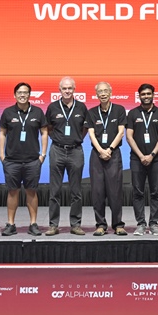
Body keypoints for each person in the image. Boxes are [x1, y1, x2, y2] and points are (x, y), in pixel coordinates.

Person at [0, 82, 48, 237]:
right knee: (12, 192)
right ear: (15, 95)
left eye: (25, 92)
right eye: (19, 92)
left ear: (29, 95)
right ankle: (11, 224)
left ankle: (33, 224)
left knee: (31, 191)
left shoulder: (38, 112)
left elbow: (44, 133)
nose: (22, 95)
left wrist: (43, 155)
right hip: (12, 160)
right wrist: (2, 155)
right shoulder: (8, 112)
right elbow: (2, 133)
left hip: (32, 160)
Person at [45, 76, 88, 236]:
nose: (67, 91)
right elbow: (48, 128)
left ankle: (75, 225)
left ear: (74, 89)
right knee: (54, 191)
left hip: (76, 151)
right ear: (60, 90)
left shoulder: (81, 107)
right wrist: (58, 140)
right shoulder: (53, 107)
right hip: (57, 150)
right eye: (64, 88)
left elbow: (84, 129)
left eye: (70, 88)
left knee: (76, 191)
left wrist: (75, 139)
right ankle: (53, 225)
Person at [126, 83, 158, 236]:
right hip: (136, 159)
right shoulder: (132, 113)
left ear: (153, 95)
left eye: (148, 94)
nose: (146, 96)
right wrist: (141, 156)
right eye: (143, 94)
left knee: (155, 192)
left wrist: (151, 155)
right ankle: (141, 224)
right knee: (138, 192)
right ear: (139, 96)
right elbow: (129, 137)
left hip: (155, 159)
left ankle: (154, 224)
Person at [86, 82, 127, 236]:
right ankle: (101, 225)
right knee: (97, 192)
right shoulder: (91, 112)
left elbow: (121, 132)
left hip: (113, 154)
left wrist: (109, 149)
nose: (103, 94)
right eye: (100, 91)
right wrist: (101, 150)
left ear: (110, 92)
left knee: (115, 191)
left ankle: (118, 225)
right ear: (96, 94)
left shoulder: (119, 110)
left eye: (105, 91)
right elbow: (91, 134)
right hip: (97, 155)